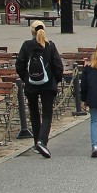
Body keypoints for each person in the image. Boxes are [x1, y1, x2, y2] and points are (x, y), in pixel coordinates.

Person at [16, 21, 64, 158]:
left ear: (31, 31)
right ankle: (42, 141)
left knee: (34, 113)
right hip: (48, 85)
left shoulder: (26, 45)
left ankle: (37, 142)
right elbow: (58, 66)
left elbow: (19, 64)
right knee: (47, 114)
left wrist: (26, 78)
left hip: (31, 85)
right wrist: (55, 80)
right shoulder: (50, 46)